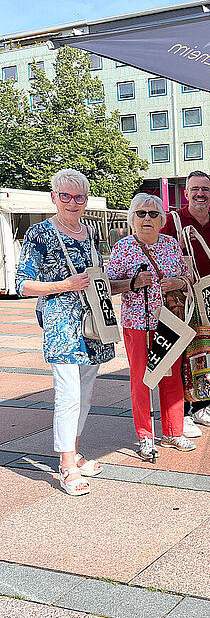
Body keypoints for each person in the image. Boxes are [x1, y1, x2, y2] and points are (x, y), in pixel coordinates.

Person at [16, 169, 115, 496]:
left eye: (79, 197)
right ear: (54, 197)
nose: (73, 203)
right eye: (66, 196)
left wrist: (127, 284)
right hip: (61, 323)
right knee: (69, 392)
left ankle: (73, 451)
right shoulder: (39, 234)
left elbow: (98, 277)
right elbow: (23, 284)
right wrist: (64, 285)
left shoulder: (91, 233)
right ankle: (66, 464)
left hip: (92, 321)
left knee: (85, 392)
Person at [107, 194, 195, 461]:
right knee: (141, 380)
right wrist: (133, 283)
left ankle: (173, 431)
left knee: (171, 376)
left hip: (169, 321)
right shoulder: (122, 248)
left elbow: (188, 276)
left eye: (154, 214)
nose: (147, 218)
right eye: (142, 213)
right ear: (132, 218)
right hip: (137, 324)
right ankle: (145, 436)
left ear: (162, 220)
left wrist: (179, 282)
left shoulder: (170, 244)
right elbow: (108, 285)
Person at [163, 170, 210, 438]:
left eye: (205, 189)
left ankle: (201, 405)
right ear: (186, 193)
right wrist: (176, 247)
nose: (200, 194)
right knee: (181, 355)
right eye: (195, 189)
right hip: (180, 301)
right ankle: (183, 412)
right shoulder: (173, 221)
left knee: (205, 352)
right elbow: (159, 255)